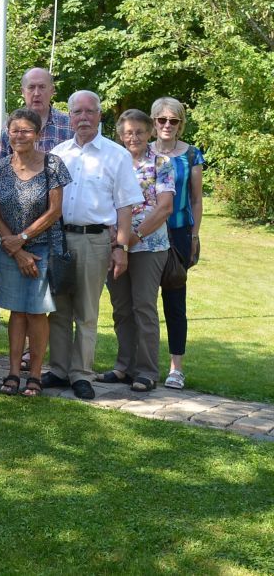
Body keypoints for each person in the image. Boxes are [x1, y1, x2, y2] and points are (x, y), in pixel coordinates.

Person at [45, 91, 143, 400]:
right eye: (77, 112)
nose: (84, 117)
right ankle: (59, 370)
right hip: (60, 238)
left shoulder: (116, 155)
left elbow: (125, 206)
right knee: (58, 309)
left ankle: (81, 374)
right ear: (70, 117)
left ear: (99, 116)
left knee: (86, 311)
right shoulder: (59, 153)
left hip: (95, 240)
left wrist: (121, 248)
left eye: (90, 111)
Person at [0, 108, 71, 397]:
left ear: (37, 134)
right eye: (14, 130)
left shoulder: (53, 165)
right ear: (7, 133)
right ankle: (12, 373)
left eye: (26, 130)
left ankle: (34, 375)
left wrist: (23, 239)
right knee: (17, 312)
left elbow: (55, 211)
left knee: (36, 312)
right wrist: (15, 247)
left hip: (44, 247)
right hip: (11, 249)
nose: (19, 136)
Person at [101, 110, 174, 392]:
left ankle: (146, 371)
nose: (134, 137)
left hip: (148, 246)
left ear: (150, 133)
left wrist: (133, 237)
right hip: (113, 245)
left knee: (143, 307)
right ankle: (124, 367)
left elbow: (164, 207)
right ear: (120, 135)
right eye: (128, 132)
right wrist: (116, 239)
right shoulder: (111, 161)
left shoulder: (161, 163)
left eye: (140, 132)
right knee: (121, 308)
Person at [150, 97, 202, 389]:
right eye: (162, 119)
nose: (167, 125)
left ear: (181, 124)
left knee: (174, 302)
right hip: (146, 233)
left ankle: (176, 368)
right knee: (142, 302)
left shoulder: (191, 155)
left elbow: (196, 199)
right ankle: (140, 364)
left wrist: (194, 235)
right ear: (154, 121)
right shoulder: (143, 151)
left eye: (173, 120)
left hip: (178, 235)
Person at [0, 68, 73, 156]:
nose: (37, 93)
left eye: (42, 87)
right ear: (23, 92)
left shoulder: (69, 125)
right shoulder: (10, 127)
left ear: (52, 91)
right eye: (31, 87)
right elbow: (3, 162)